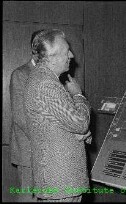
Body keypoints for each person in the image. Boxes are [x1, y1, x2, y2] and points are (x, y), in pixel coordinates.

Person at [24, 29, 91, 202]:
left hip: (60, 181)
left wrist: (80, 134)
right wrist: (78, 95)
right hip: (60, 181)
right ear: (51, 57)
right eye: (66, 51)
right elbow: (80, 122)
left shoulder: (43, 79)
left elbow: (56, 125)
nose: (71, 55)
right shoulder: (47, 84)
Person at [9, 29, 46, 202]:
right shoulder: (20, 74)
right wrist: (48, 140)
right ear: (35, 48)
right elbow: (21, 118)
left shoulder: (54, 76)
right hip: (28, 150)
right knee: (28, 197)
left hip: (48, 150)